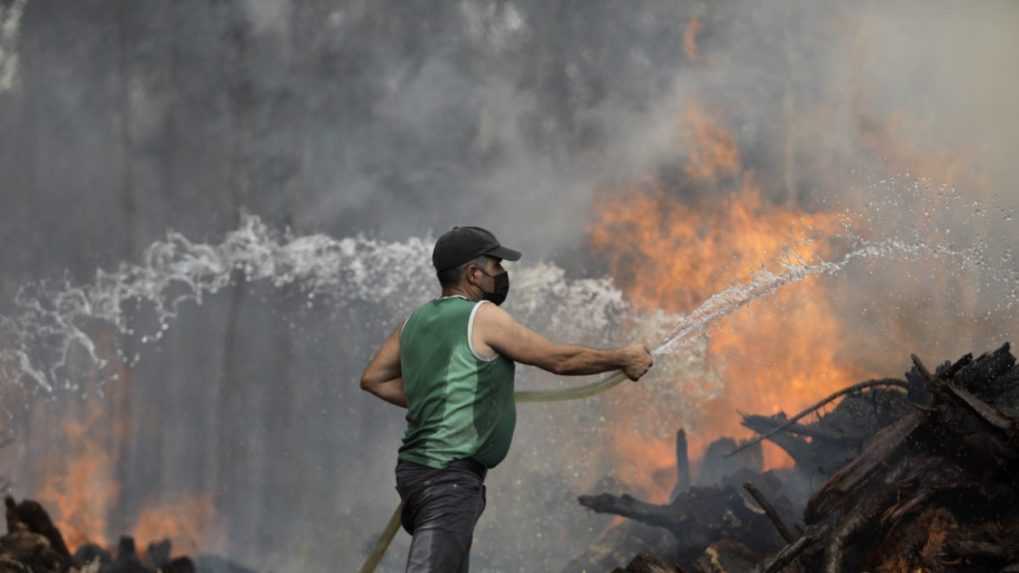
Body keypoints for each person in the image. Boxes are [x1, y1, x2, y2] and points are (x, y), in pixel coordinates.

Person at [360, 225, 654, 573]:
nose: (502, 275)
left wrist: (440, 397)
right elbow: (558, 360)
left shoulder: (413, 321)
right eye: (497, 267)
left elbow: (373, 378)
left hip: (417, 473)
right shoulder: (482, 317)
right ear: (474, 273)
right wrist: (622, 358)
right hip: (447, 478)